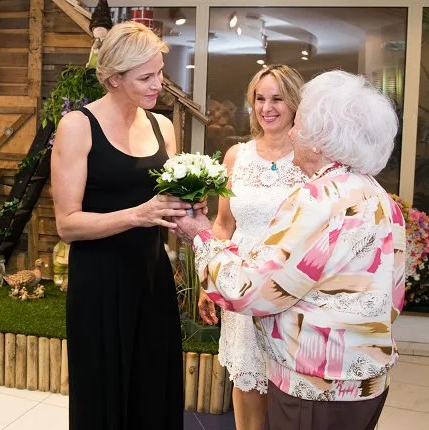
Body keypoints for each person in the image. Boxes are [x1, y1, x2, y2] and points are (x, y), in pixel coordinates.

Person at [174, 70, 405, 430]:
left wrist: (200, 235)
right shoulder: (377, 195)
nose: (293, 130)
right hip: (365, 380)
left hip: (315, 386)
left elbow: (250, 291)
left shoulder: (318, 199)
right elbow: (393, 292)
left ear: (321, 139)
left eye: (302, 123)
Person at [52, 21, 195, 430]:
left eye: (160, 73)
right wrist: (138, 214)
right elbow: (67, 224)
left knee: (154, 388)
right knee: (104, 394)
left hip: (152, 276)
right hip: (99, 282)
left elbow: (167, 205)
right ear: (114, 79)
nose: (158, 85)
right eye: (146, 77)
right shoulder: (78, 127)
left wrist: (188, 205)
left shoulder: (161, 126)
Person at [199, 64, 307, 430]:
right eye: (260, 98)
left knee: (287, 384)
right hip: (240, 281)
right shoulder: (236, 156)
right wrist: (209, 279)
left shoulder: (311, 157)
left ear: (295, 102)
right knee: (245, 377)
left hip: (291, 284)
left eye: (277, 98)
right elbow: (224, 223)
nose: (267, 107)